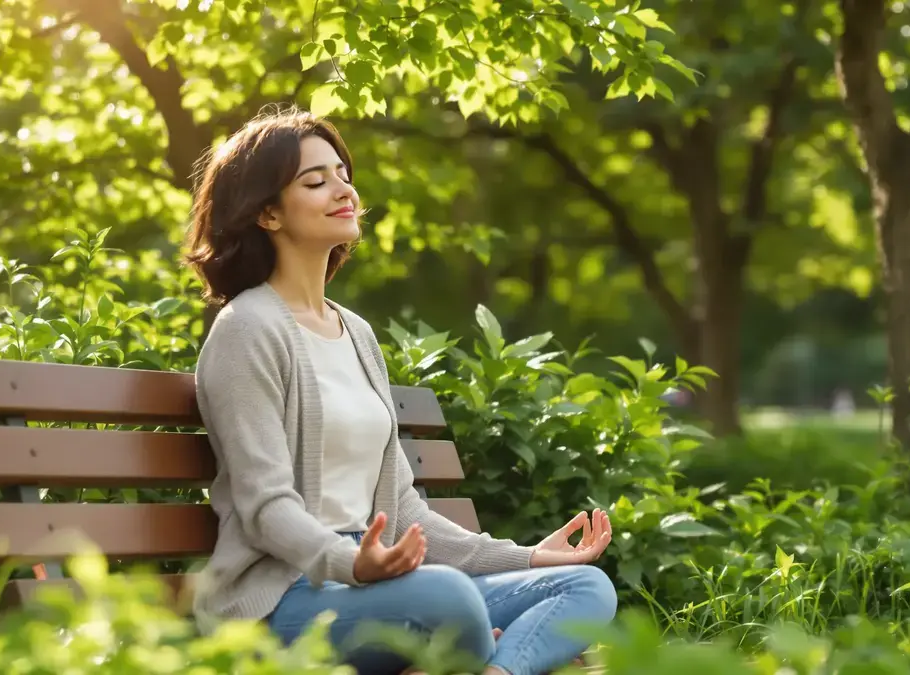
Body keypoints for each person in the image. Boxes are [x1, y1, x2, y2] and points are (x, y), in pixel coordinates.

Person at [182, 107, 618, 675]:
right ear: (267, 212)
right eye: (316, 181)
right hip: (281, 602)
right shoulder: (247, 329)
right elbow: (266, 507)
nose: (343, 190)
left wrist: (527, 556)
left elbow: (403, 508)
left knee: (583, 587)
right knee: (449, 600)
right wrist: (351, 564)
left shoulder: (357, 334)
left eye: (343, 173)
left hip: (380, 586)